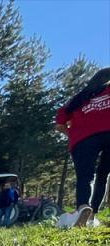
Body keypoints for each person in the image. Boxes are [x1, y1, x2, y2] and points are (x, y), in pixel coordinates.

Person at [56, 67, 110, 228]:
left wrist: (72, 135)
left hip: (83, 139)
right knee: (102, 176)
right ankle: (92, 215)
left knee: (85, 176)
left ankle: (83, 207)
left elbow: (59, 124)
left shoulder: (78, 99)